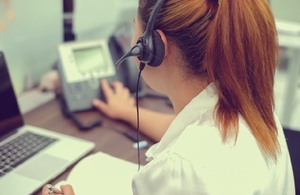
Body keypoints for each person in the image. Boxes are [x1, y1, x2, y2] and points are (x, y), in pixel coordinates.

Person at [42, 0, 295, 194]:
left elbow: (189, 159)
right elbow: (185, 131)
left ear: (154, 47)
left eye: (134, 28)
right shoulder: (251, 108)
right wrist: (127, 112)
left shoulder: (185, 173)